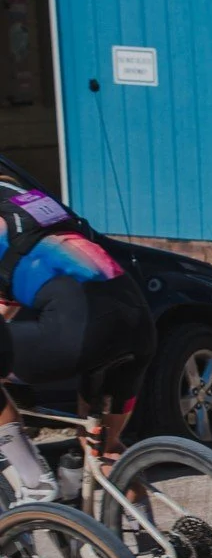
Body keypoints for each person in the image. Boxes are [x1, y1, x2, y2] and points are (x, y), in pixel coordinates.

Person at [0, 177, 155, 501]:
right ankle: (145, 531)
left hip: (83, 330)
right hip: (137, 323)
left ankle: (35, 484)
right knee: (103, 448)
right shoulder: (24, 199)